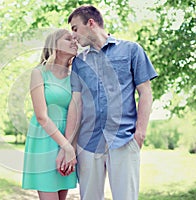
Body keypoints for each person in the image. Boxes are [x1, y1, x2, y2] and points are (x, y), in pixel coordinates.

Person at [56, 5, 158, 200]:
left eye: (75, 28)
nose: (74, 36)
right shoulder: (79, 62)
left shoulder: (131, 50)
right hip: (88, 143)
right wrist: (68, 146)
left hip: (124, 139)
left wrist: (140, 134)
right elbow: (75, 104)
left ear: (91, 23)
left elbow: (145, 92)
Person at [22, 29, 78, 200]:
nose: (74, 42)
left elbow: (77, 114)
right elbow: (41, 116)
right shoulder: (39, 73)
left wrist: (70, 148)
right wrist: (66, 147)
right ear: (54, 45)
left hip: (69, 139)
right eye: (68, 39)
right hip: (45, 140)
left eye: (75, 39)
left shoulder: (75, 77)